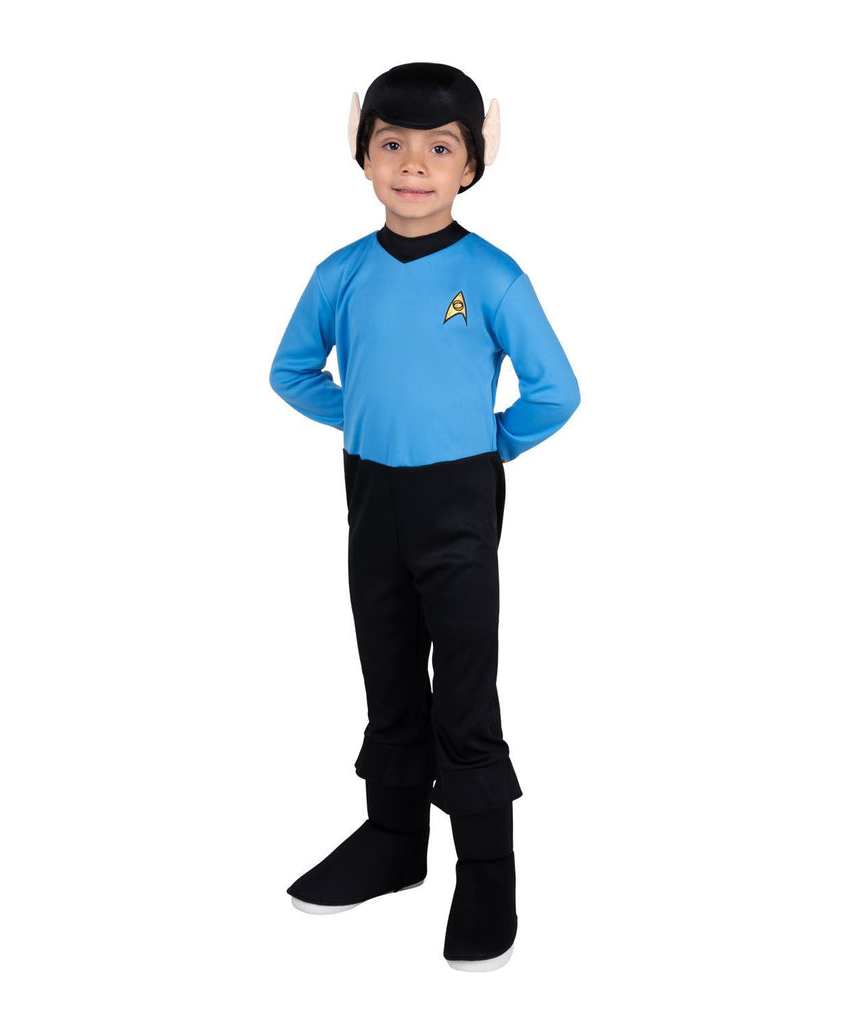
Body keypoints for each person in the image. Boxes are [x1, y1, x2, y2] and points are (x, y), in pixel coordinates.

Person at [269, 62, 580, 972]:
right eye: (393, 144)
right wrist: (363, 417)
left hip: (459, 497)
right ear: (362, 153)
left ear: (473, 163)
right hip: (372, 492)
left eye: (440, 148)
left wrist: (488, 445)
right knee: (388, 659)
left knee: (465, 680)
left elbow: (556, 392)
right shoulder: (340, 273)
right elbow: (291, 372)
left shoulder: (491, 276)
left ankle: (486, 869)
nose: (414, 165)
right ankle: (394, 840)